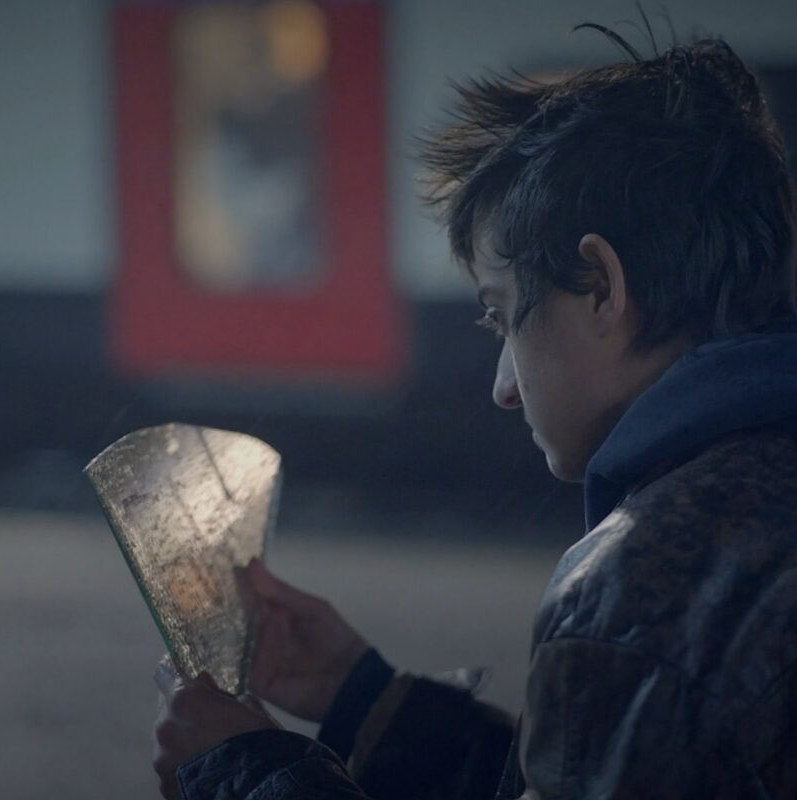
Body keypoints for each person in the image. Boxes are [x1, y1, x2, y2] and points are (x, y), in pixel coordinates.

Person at [152, 33, 797, 800]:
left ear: (600, 286)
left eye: (503, 318)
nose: (504, 388)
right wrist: (365, 700)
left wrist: (247, 772)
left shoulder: (637, 595)